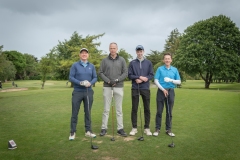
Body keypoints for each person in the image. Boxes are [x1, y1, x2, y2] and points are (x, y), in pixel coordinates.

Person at [99, 42, 128, 137]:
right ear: (109, 49)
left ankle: (120, 128)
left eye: (114, 48)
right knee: (106, 109)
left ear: (117, 49)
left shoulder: (122, 60)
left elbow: (125, 73)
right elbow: (101, 72)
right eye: (111, 48)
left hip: (118, 86)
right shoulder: (104, 60)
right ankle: (104, 128)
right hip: (107, 87)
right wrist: (108, 81)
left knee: (119, 109)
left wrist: (117, 80)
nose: (112, 50)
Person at [69, 48, 97, 140]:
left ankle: (88, 131)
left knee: (88, 112)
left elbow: (95, 77)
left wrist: (90, 83)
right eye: (82, 53)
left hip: (88, 91)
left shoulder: (91, 66)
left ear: (88, 55)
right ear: (79, 55)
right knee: (75, 112)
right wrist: (80, 83)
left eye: (86, 53)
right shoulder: (75, 65)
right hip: (77, 92)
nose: (84, 54)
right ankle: (72, 132)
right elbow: (71, 77)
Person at [128, 45, 154, 136]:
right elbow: (130, 75)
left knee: (147, 108)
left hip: (145, 88)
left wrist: (144, 79)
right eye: (138, 51)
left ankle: (147, 128)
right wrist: (138, 77)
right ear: (136, 52)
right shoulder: (132, 63)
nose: (139, 53)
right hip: (135, 88)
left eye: (141, 51)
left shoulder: (148, 63)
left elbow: (151, 75)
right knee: (134, 108)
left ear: (143, 51)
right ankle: (134, 128)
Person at [153, 52, 181, 137]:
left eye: (169, 58)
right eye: (166, 58)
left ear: (171, 60)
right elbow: (156, 80)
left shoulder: (175, 70)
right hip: (161, 91)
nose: (167, 60)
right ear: (163, 60)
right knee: (159, 111)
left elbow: (179, 81)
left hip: (171, 91)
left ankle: (168, 129)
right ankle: (157, 129)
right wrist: (162, 89)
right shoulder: (160, 69)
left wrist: (171, 80)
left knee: (169, 112)